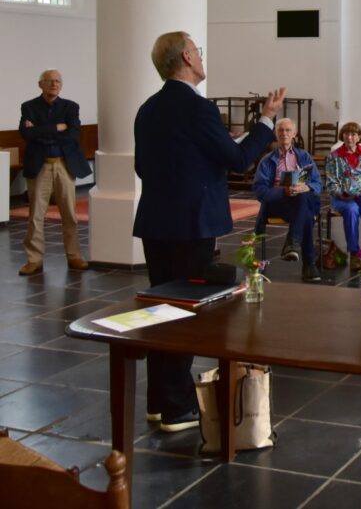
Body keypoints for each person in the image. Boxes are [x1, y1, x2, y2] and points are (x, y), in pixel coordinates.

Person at [134, 31, 284, 433]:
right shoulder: (198, 109)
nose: (202, 56)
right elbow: (238, 159)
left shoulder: (147, 109)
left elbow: (142, 168)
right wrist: (266, 121)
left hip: (156, 221)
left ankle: (158, 401)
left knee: (161, 310)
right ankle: (177, 409)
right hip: (191, 223)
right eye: (198, 50)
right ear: (186, 56)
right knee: (185, 314)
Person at [18, 69, 92, 276]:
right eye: (49, 81)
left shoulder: (70, 107)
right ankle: (34, 260)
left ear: (61, 85)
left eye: (57, 81)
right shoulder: (29, 106)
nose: (54, 84)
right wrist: (56, 128)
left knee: (69, 213)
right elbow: (26, 133)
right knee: (36, 215)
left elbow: (73, 134)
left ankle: (74, 255)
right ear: (40, 84)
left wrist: (40, 130)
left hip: (63, 165)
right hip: (39, 165)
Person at [252, 118, 323, 282]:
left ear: (294, 134)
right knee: (305, 212)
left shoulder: (304, 156)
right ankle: (308, 264)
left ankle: (293, 244)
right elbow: (260, 192)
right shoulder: (267, 160)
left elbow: (318, 184)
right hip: (278, 203)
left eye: (288, 130)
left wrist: (308, 187)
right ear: (275, 134)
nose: (284, 133)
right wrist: (284, 191)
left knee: (302, 199)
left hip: (300, 200)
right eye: (281, 130)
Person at [326, 121, 361, 267]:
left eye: (353, 134)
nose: (349, 137)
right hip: (343, 198)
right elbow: (331, 183)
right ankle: (354, 253)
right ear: (342, 136)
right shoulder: (334, 157)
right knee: (351, 210)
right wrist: (341, 193)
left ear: (359, 137)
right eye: (346, 134)